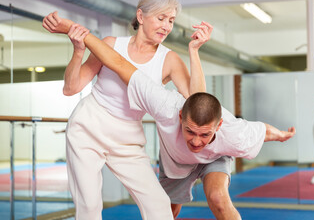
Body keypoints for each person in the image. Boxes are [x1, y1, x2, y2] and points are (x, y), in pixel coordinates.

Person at [42, 13, 296, 220]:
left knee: (214, 199)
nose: (197, 140)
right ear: (179, 116)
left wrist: (282, 135)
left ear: (217, 126)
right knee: (159, 208)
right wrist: (74, 30)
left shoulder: (234, 134)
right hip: (166, 156)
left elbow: (260, 129)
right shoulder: (163, 103)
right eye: (161, 18)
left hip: (204, 154)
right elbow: (118, 63)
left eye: (171, 20)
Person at [43, 0, 213, 220]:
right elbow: (70, 88)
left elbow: (199, 103)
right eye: (161, 18)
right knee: (90, 206)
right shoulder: (111, 44)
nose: (166, 26)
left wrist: (194, 52)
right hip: (87, 128)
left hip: (128, 138)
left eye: (171, 20)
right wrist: (78, 50)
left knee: (159, 204)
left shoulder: (169, 59)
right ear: (141, 17)